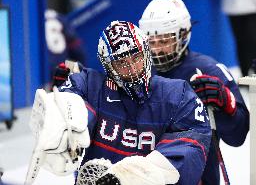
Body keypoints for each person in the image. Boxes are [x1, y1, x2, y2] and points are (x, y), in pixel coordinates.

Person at [28, 21, 212, 185]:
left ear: (146, 54)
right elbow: (73, 117)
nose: (132, 69)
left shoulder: (178, 94)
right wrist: (63, 116)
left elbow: (190, 148)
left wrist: (127, 177)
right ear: (108, 66)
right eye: (122, 63)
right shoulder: (87, 85)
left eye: (136, 58)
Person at [138, 0, 250, 184]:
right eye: (151, 41)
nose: (156, 50)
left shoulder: (209, 69)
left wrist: (226, 104)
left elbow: (238, 136)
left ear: (183, 34)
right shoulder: (139, 71)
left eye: (164, 41)